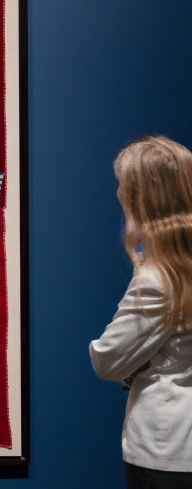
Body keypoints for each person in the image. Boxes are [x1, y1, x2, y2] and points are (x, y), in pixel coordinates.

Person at [90, 135, 192, 488]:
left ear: (139, 197)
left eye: (122, 185)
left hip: (169, 449)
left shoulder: (160, 276)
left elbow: (108, 359)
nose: (118, 193)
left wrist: (138, 362)